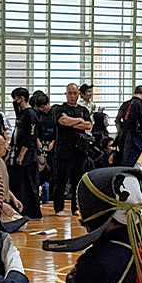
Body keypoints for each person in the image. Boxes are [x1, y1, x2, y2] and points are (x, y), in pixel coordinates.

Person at [53, 83, 93, 216]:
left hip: (80, 151)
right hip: (63, 151)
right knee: (61, 180)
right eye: (69, 93)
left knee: (78, 181)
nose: (72, 96)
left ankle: (75, 207)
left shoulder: (83, 110)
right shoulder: (59, 108)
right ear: (66, 94)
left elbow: (88, 125)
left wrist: (73, 122)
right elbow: (62, 121)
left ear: (79, 94)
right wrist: (78, 121)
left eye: (75, 93)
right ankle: (59, 208)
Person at [9, 87, 41, 219]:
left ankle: (32, 213)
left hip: (27, 155)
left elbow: (30, 136)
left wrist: (22, 154)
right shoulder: (21, 114)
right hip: (16, 152)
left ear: (21, 98)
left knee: (28, 184)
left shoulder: (31, 114)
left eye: (15, 98)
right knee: (19, 184)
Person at [115, 86, 142, 167]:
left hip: (122, 139)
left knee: (122, 162)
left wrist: (120, 132)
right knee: (134, 165)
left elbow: (117, 121)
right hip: (135, 139)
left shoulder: (124, 105)